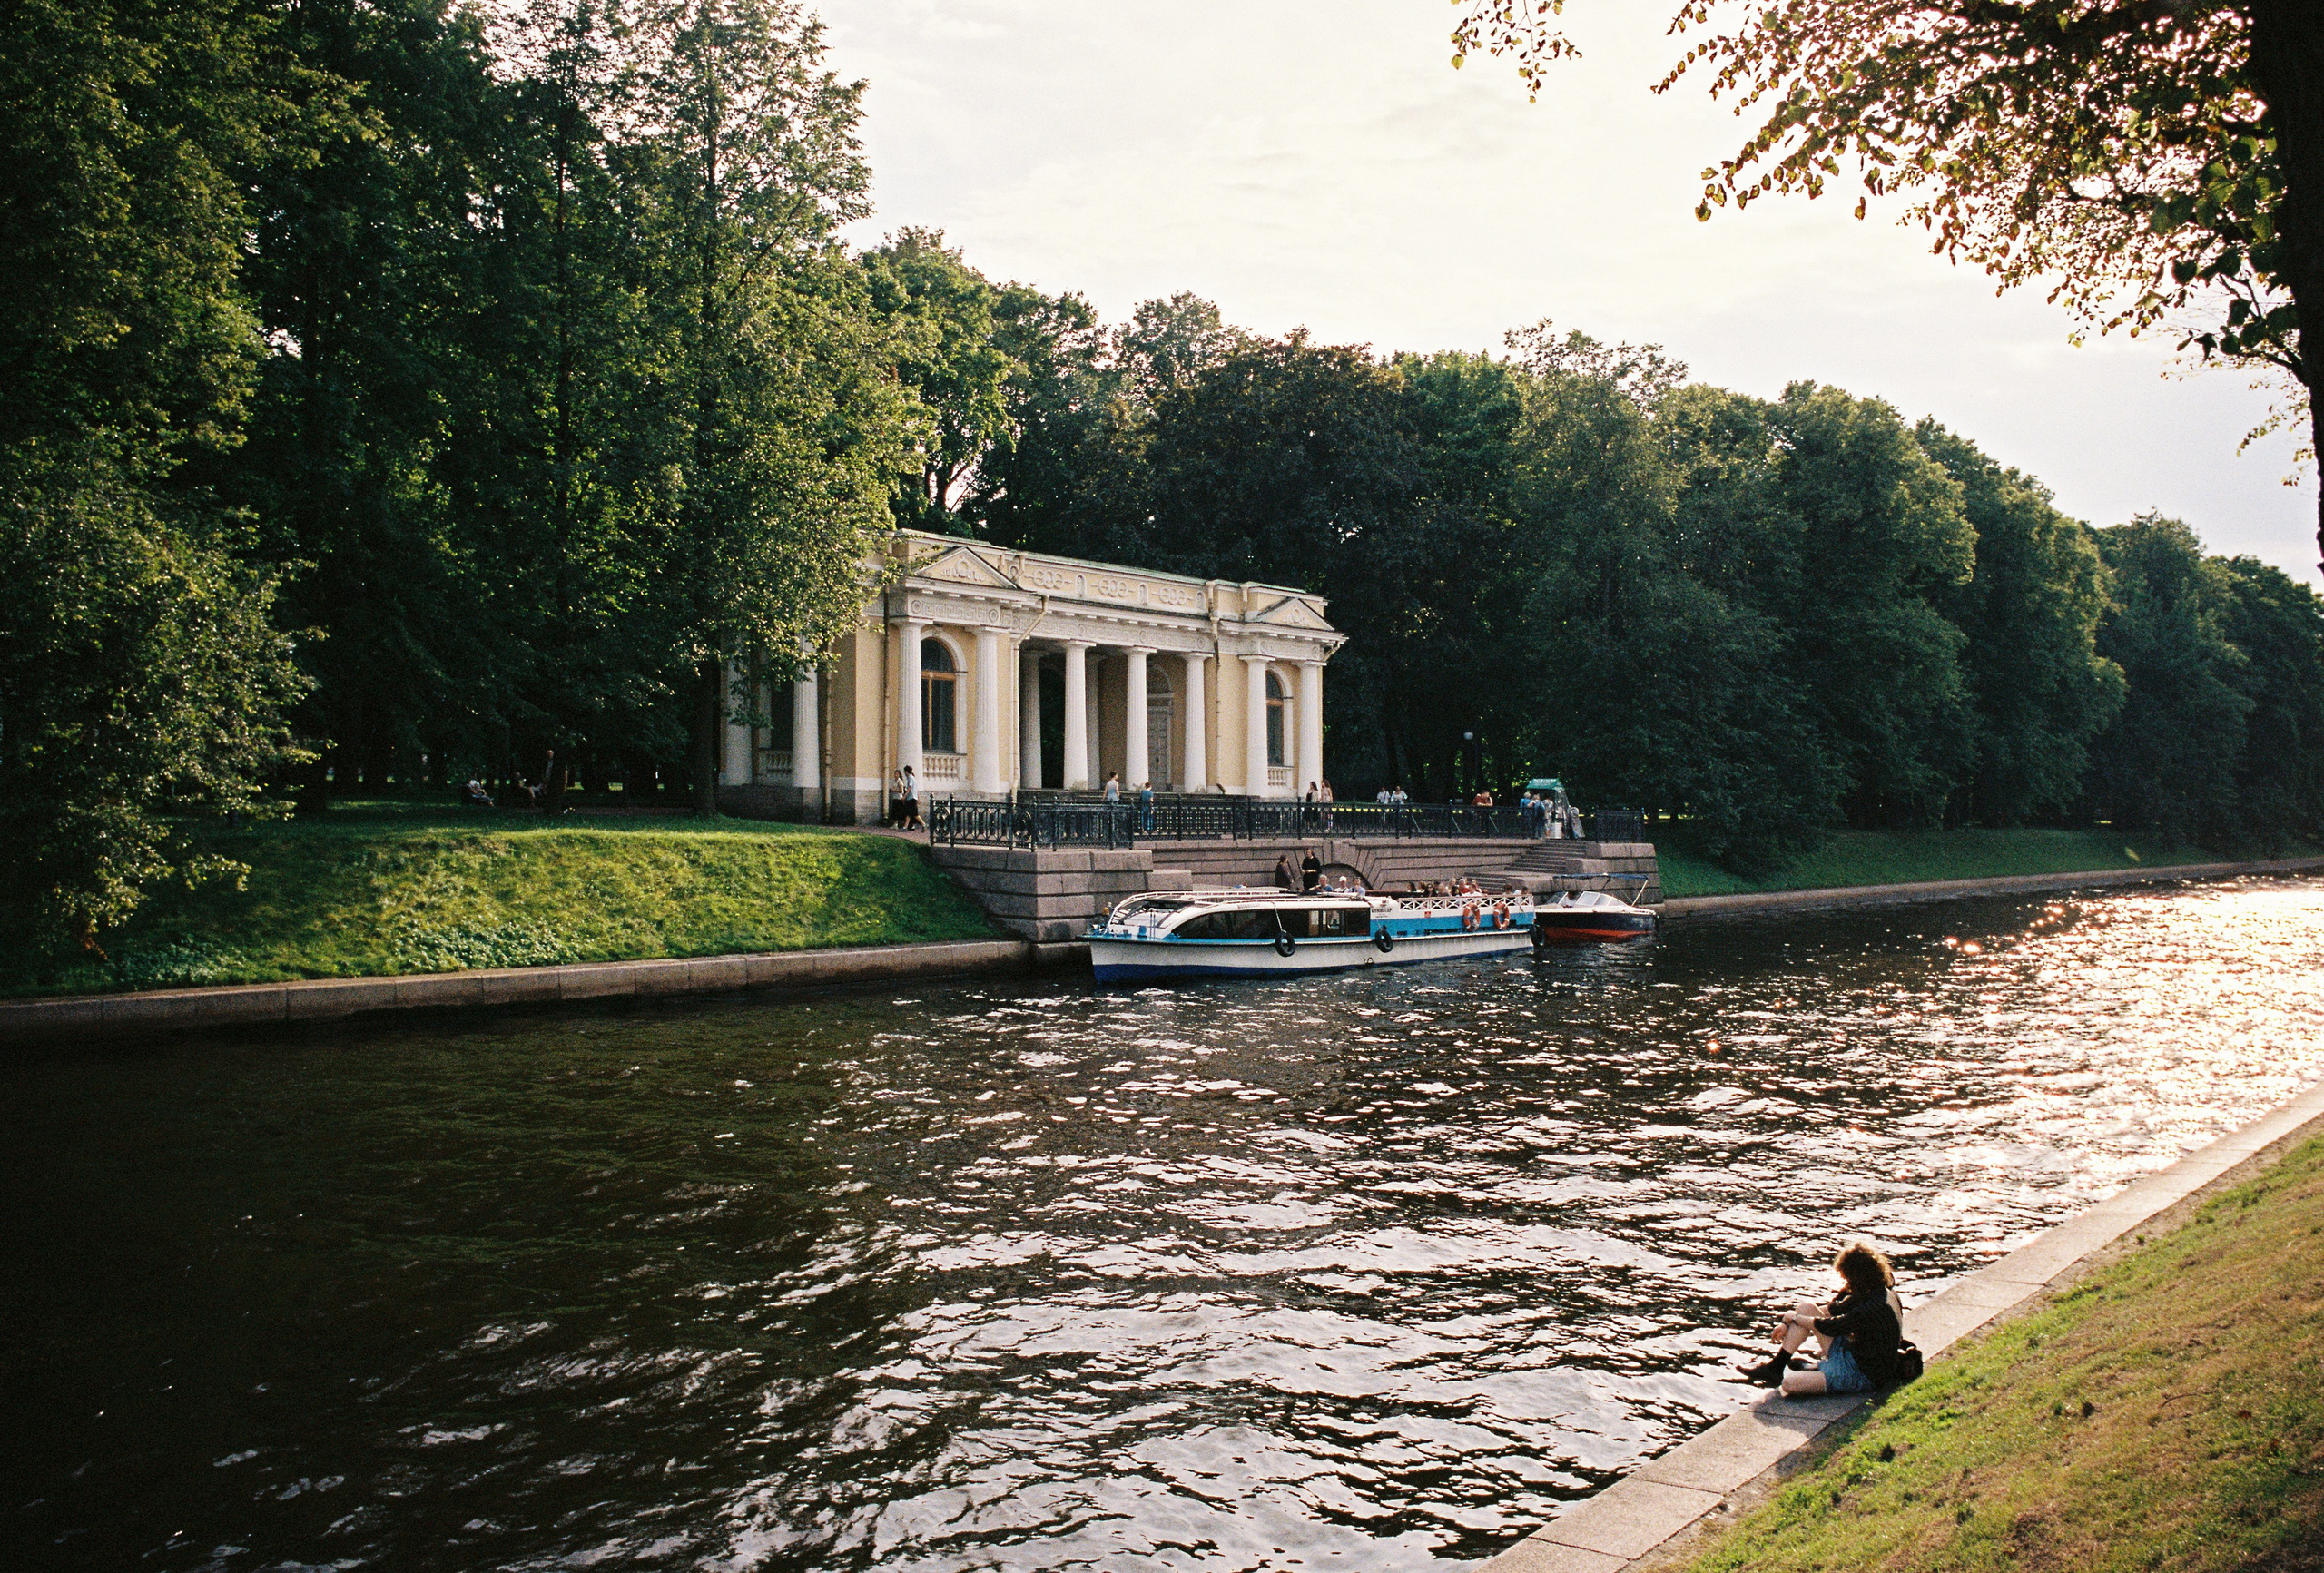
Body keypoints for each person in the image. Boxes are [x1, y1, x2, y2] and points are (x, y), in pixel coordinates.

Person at [1739, 1241, 1906, 1396]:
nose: (1846, 1283)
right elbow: (1831, 1309)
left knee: (1789, 1384)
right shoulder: (1877, 1290)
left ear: (1857, 1277)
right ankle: (1776, 1367)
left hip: (1862, 1374)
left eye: (1847, 1279)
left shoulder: (1873, 1307)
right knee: (1806, 1308)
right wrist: (1786, 1321)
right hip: (1853, 1353)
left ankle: (1815, 1368)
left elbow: (1830, 1326)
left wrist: (1793, 1317)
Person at [901, 763, 923, 832]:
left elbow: (910, 788)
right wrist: (918, 798)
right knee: (908, 813)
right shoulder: (912, 778)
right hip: (911, 798)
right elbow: (916, 789)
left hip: (912, 798)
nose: (904, 773)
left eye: (905, 771)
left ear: (906, 772)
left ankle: (923, 824)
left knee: (915, 814)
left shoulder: (911, 778)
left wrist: (904, 795)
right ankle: (905, 827)